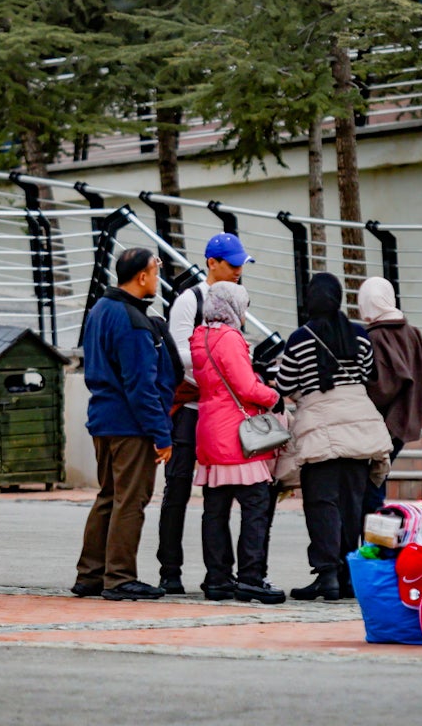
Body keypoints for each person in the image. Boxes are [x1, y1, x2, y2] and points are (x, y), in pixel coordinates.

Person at [275, 272, 391, 601]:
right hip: (358, 425)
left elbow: (284, 383)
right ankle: (348, 576)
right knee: (352, 503)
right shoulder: (360, 335)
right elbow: (368, 374)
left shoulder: (300, 338)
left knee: (321, 502)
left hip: (318, 426)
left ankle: (327, 575)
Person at [73, 248, 177, 601]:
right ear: (142, 277)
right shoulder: (133, 320)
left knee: (109, 496)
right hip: (130, 425)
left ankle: (90, 575)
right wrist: (161, 433)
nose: (157, 278)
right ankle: (119, 577)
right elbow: (140, 385)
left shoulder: (101, 309)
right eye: (155, 272)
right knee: (130, 500)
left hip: (103, 419)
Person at [157, 232, 254, 595]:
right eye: (232, 264)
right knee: (177, 489)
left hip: (221, 411)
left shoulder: (234, 297)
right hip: (189, 407)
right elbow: (177, 352)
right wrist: (215, 363)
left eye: (242, 264)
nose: (238, 270)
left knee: (220, 493)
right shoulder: (190, 300)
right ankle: (170, 570)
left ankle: (220, 572)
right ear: (212, 263)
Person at [190, 282, 285, 604]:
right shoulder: (230, 338)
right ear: (232, 307)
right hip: (236, 434)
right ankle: (251, 578)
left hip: (209, 430)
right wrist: (273, 396)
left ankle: (217, 578)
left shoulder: (200, 336)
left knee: (215, 510)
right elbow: (245, 387)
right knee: (256, 506)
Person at [357, 276, 422, 515]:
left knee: (371, 485)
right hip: (405, 419)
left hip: (379, 424)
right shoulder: (412, 333)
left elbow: (382, 387)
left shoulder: (375, 336)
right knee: (378, 478)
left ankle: (372, 534)